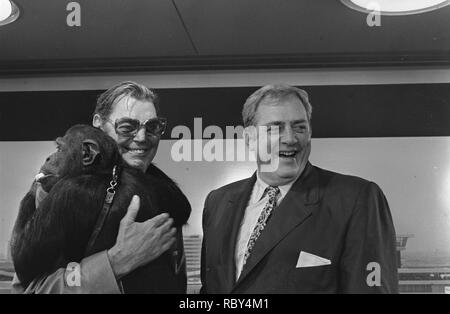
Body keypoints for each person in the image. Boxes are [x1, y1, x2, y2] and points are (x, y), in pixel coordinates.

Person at [200, 84, 398, 294]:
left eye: (299, 127)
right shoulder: (218, 202)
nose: (290, 139)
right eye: (275, 128)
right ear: (250, 139)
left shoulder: (356, 199)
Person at [12, 81, 191, 293]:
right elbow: (31, 289)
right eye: (127, 127)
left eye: (152, 127)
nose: (142, 138)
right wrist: (114, 262)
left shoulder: (161, 192)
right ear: (99, 123)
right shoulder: (55, 189)